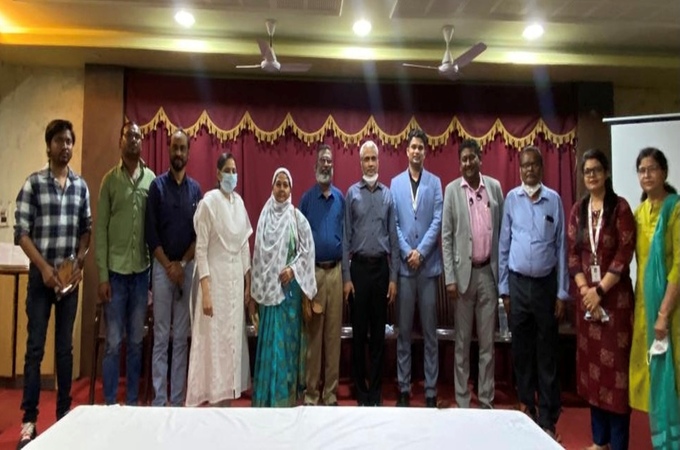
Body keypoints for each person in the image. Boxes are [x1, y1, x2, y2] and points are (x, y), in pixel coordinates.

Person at [14, 120, 91, 449]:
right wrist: (44, 268)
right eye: (59, 141)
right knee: (35, 349)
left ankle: (63, 416)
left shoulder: (80, 186)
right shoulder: (34, 183)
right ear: (49, 146)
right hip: (40, 279)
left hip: (68, 281)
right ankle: (29, 422)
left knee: (65, 350)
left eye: (69, 141)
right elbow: (21, 232)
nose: (65, 146)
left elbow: (86, 230)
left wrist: (79, 262)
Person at [498, 145, 569, 439]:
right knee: (522, 350)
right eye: (525, 165)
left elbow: (562, 248)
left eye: (534, 165)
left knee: (547, 352)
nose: (529, 170)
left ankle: (549, 416)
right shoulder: (511, 200)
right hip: (517, 285)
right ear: (520, 169)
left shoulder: (554, 200)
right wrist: (504, 289)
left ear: (542, 167)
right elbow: (504, 245)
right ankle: (527, 406)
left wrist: (562, 293)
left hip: (545, 286)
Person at [567, 149, 635, 450]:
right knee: (592, 373)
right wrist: (585, 291)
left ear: (606, 173)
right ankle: (599, 441)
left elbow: (624, 253)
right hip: (587, 305)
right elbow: (573, 254)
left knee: (616, 376)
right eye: (587, 171)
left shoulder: (620, 208)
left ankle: (618, 443)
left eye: (596, 170)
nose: (591, 175)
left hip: (615, 303)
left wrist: (600, 291)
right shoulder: (578, 210)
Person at [96, 121, 156, 406]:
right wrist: (103, 276)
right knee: (113, 343)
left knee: (135, 342)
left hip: (141, 274)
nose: (133, 140)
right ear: (120, 141)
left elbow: (154, 230)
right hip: (116, 276)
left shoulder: (151, 180)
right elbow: (101, 231)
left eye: (137, 136)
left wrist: (153, 279)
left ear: (142, 141)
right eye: (128, 135)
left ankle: (132, 402)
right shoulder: (109, 181)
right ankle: (110, 403)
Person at [186, 153, 252, 407]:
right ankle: (212, 400)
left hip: (235, 285)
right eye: (227, 170)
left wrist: (247, 281)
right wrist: (206, 290)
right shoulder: (209, 203)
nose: (232, 175)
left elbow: (244, 244)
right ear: (218, 173)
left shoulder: (239, 203)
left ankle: (227, 400)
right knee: (214, 342)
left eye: (235, 170)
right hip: (214, 284)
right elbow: (201, 249)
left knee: (231, 342)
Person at [442, 138, 504, 409]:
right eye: (463, 159)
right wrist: (450, 278)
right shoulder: (452, 191)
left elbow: (503, 232)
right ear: (460, 163)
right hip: (462, 278)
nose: (468, 163)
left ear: (480, 158)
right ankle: (463, 400)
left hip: (489, 274)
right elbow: (446, 237)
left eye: (472, 157)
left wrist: (502, 278)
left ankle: (486, 399)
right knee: (462, 343)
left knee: (487, 343)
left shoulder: (494, 188)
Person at [251, 168, 317, 407]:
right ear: (272, 187)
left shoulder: (296, 218)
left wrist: (293, 270)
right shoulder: (264, 217)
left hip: (289, 296)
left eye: (285, 185)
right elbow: (258, 258)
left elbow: (307, 252)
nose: (281, 189)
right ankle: (267, 399)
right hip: (268, 295)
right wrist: (254, 298)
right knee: (271, 347)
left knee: (287, 349)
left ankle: (285, 400)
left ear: (291, 189)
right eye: (277, 184)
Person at [145, 129, 202, 407]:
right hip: (161, 269)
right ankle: (159, 401)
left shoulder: (196, 191)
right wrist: (169, 266)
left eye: (183, 148)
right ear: (169, 150)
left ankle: (177, 400)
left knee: (180, 338)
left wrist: (182, 264)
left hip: (186, 270)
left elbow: (198, 235)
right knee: (160, 337)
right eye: (175, 148)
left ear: (188, 153)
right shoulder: (156, 187)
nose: (179, 153)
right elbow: (151, 233)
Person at [629, 147, 680, 450]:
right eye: (641, 170)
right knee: (652, 377)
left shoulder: (675, 210)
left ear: (664, 172)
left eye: (652, 169)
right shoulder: (638, 214)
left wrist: (663, 313)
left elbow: (679, 265)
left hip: (673, 311)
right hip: (645, 307)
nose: (646, 175)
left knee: (675, 375)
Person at [343, 140, 399, 406]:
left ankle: (375, 393)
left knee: (378, 336)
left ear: (379, 161)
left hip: (381, 271)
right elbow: (345, 237)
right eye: (365, 159)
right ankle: (361, 392)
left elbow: (394, 240)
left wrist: (393, 278)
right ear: (360, 163)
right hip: (359, 270)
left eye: (373, 159)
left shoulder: (388, 196)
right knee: (359, 335)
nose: (370, 164)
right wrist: (346, 278)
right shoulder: (351, 194)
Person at [390, 129, 443, 408]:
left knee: (430, 332)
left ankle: (431, 390)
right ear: (406, 150)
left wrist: (420, 252)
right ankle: (404, 386)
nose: (417, 151)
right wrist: (407, 252)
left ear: (425, 152)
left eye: (421, 147)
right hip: (404, 269)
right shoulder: (395, 183)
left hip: (428, 267)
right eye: (413, 147)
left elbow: (437, 220)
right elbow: (395, 223)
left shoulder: (435, 183)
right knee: (404, 332)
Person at [300, 144, 345, 406]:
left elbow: (346, 238)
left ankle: (330, 394)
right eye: (322, 161)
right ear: (315, 165)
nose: (326, 164)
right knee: (314, 337)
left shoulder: (341, 199)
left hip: (336, 273)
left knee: (333, 337)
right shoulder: (306, 200)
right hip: (314, 274)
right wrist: (305, 282)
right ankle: (311, 394)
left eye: (329, 160)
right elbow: (300, 243)